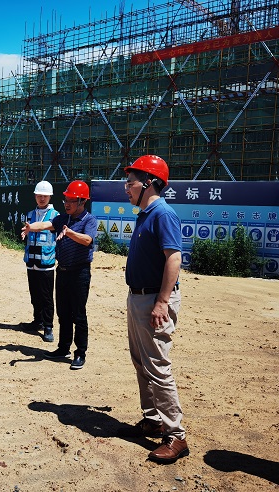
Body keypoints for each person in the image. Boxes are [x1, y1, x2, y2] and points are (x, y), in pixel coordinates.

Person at [122, 155, 188, 464]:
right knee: (141, 362)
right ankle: (152, 419)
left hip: (154, 301)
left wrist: (162, 301)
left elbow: (174, 258)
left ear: (149, 182)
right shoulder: (144, 214)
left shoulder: (163, 214)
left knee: (158, 366)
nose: (127, 188)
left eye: (131, 182)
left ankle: (176, 435)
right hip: (138, 298)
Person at [22, 181, 97, 370]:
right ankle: (63, 348)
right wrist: (31, 227)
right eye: (66, 200)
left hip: (79, 273)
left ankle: (80, 353)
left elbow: (87, 240)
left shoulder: (89, 220)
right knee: (63, 313)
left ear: (82, 201)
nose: (67, 204)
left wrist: (70, 233)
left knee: (78, 314)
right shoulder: (63, 218)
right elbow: (46, 224)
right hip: (62, 271)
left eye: (71, 200)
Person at [19, 181, 59, 343]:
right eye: (39, 196)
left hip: (46, 262)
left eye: (45, 196)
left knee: (46, 297)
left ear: (50, 197)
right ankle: (38, 321)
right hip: (32, 262)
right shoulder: (30, 214)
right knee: (34, 294)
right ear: (35, 196)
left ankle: (48, 326)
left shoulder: (55, 216)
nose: (42, 198)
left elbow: (44, 227)